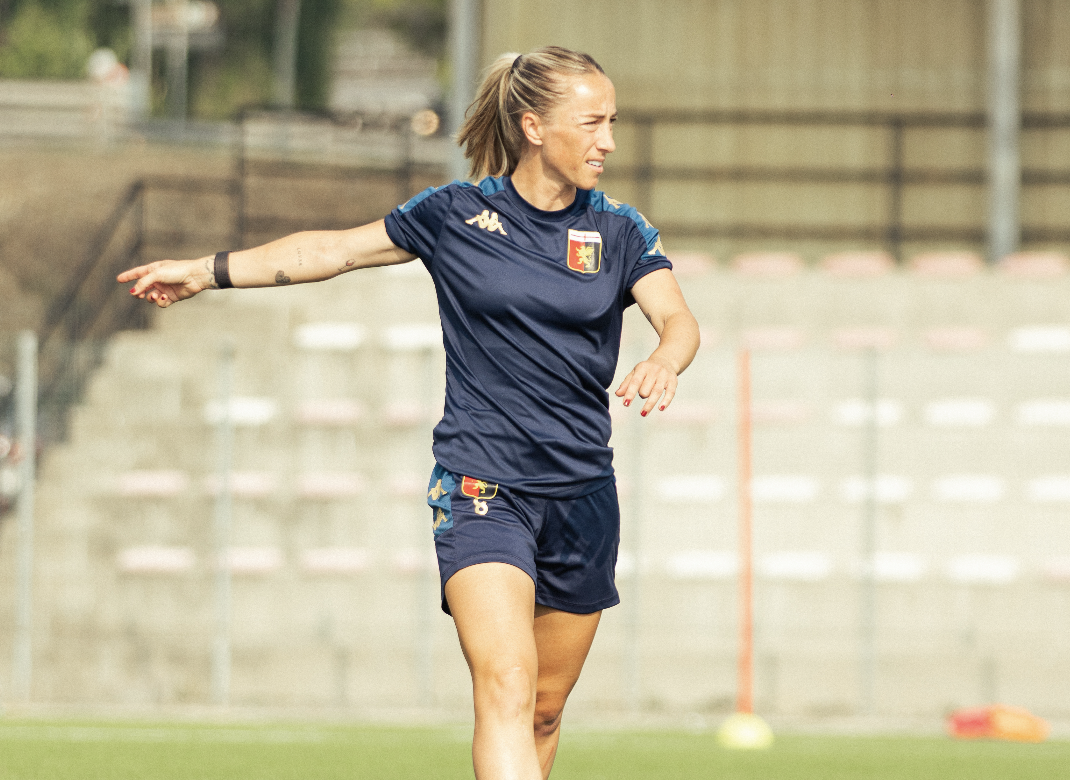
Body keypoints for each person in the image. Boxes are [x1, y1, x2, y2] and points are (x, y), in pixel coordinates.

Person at [119, 45, 699, 780]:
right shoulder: (453, 214)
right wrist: (208, 270)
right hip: (482, 487)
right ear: (531, 126)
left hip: (583, 496)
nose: (608, 142)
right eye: (591, 123)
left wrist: (663, 359)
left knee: (545, 709)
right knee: (507, 686)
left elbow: (679, 319)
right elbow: (333, 249)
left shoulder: (619, 230)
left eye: (612, 122)